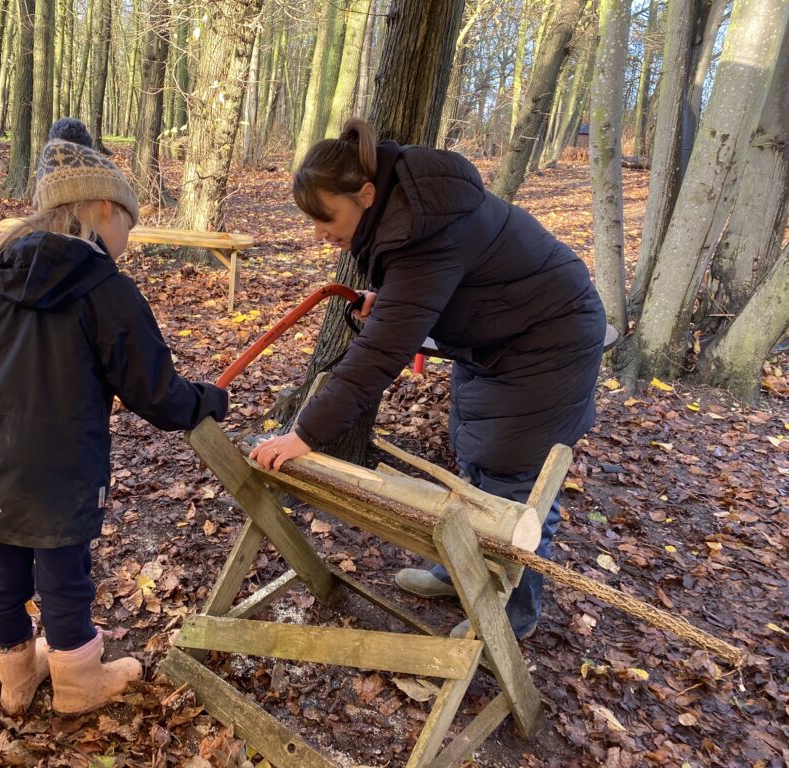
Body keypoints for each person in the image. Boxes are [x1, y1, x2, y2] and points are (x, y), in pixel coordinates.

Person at [250, 118, 605, 641]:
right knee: (475, 455)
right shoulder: (409, 213)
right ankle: (460, 570)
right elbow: (434, 291)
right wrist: (389, 301)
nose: (320, 234)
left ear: (367, 194)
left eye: (325, 218)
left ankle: (511, 612)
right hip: (497, 338)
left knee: (517, 480)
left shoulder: (424, 228)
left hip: (548, 343)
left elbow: (380, 353)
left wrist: (305, 434)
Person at [0, 118, 228, 715]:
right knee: (64, 577)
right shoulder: (105, 290)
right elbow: (154, 389)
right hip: (59, 474)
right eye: (128, 221)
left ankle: (16, 681)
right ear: (98, 208)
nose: (129, 236)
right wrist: (207, 400)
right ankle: (75, 685)